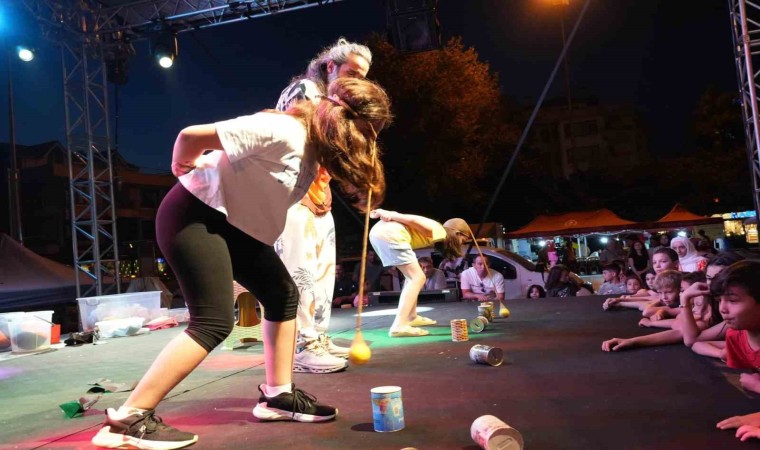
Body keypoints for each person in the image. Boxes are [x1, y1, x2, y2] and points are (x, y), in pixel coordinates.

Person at [91, 77, 392, 449]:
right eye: (368, 134)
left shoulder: (315, 150)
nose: (367, 145)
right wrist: (183, 166)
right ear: (346, 123)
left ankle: (277, 397)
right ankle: (128, 418)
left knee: (282, 296)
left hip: (237, 226)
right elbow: (190, 136)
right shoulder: (284, 130)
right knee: (213, 322)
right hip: (195, 216)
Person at [273, 38, 374, 373]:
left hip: (319, 197)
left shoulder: (336, 105)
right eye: (351, 73)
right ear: (330, 66)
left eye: (362, 77)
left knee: (323, 275)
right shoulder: (306, 91)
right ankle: (302, 346)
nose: (356, 82)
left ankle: (318, 337)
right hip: (292, 196)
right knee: (301, 275)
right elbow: (301, 144)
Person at [678, 261, 760, 442]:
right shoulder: (736, 336)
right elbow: (693, 342)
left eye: (732, 300)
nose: (722, 309)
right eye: (719, 300)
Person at [368, 210, 469, 337]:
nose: (461, 244)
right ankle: (399, 325)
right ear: (457, 233)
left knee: (411, 277)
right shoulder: (439, 230)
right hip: (388, 235)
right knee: (418, 278)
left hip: (380, 235)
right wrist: (387, 213)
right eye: (463, 240)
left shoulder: (436, 234)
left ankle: (411, 317)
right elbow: (412, 219)